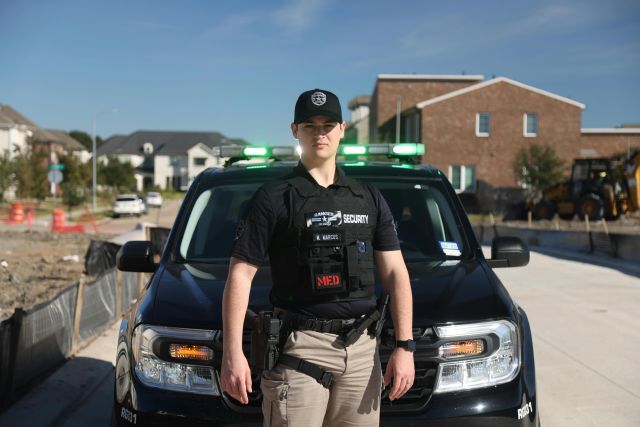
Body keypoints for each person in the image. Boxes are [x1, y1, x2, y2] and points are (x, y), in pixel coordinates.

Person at [221, 88, 415, 426]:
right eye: (309, 125)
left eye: (327, 125)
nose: (319, 133)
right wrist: (232, 352)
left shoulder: (367, 198)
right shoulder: (274, 198)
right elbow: (240, 275)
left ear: (342, 129)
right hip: (300, 351)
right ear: (295, 131)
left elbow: (397, 273)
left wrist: (405, 346)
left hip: (361, 353)